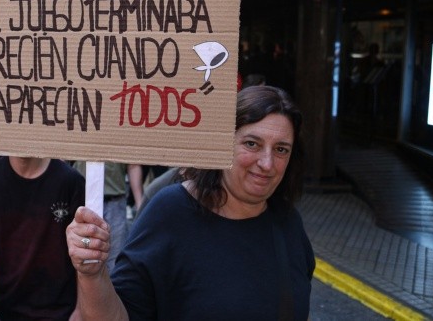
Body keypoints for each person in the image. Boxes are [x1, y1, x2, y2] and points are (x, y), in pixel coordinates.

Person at [66, 85, 315, 320]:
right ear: (221, 144)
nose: (267, 163)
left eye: (281, 149)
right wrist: (92, 274)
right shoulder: (171, 212)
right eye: (252, 144)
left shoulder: (288, 221)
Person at [0, 156, 85, 320]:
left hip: (61, 308)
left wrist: (80, 309)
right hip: (5, 306)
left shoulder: (70, 180)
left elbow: (83, 248)